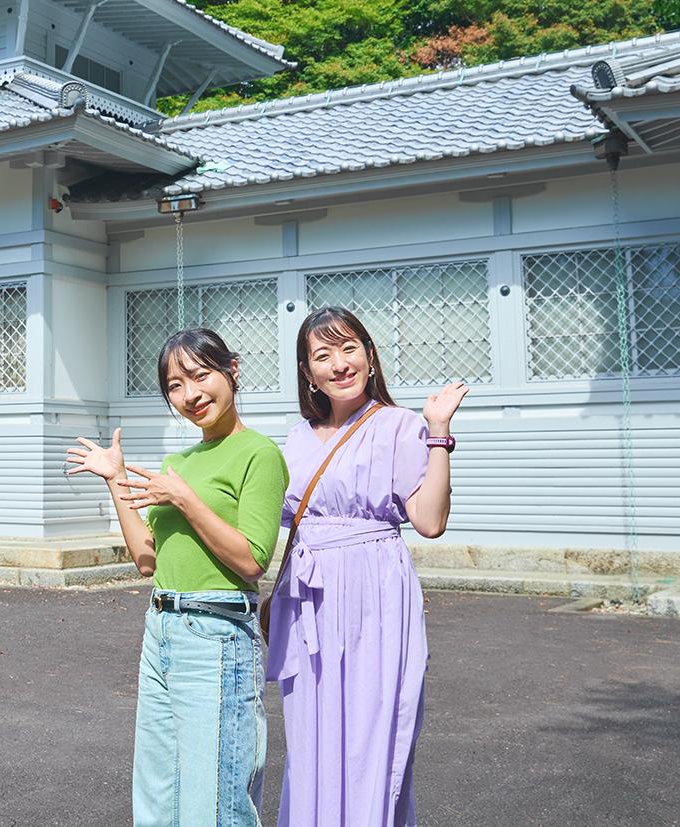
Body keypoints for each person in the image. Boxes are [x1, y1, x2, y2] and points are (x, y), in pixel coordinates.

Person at [67, 328, 287, 827]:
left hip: (217, 634)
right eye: (174, 385)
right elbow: (147, 559)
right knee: (157, 794)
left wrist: (184, 499)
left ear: (232, 369)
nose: (190, 394)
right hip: (161, 628)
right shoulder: (177, 463)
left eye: (200, 375)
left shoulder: (259, 453)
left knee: (215, 799)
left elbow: (253, 561)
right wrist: (115, 479)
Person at [268, 306, 468, 827]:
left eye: (349, 348)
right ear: (307, 371)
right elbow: (283, 526)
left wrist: (439, 431)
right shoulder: (294, 438)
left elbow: (428, 520)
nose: (339, 363)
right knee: (311, 735)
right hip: (307, 600)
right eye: (322, 354)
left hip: (374, 594)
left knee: (371, 729)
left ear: (371, 357)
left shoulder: (400, 426)